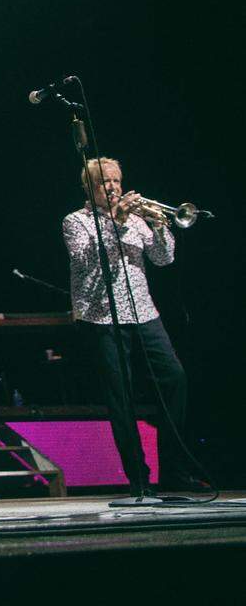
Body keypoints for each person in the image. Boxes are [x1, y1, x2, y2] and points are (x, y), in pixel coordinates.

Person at [62, 157, 201, 494]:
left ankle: (175, 473)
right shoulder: (76, 222)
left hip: (144, 314)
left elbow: (163, 258)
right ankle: (138, 478)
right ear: (89, 188)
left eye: (115, 180)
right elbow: (85, 261)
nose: (112, 187)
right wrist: (116, 223)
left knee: (175, 380)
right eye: (103, 182)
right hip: (101, 317)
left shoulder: (137, 219)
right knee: (121, 398)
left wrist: (158, 225)